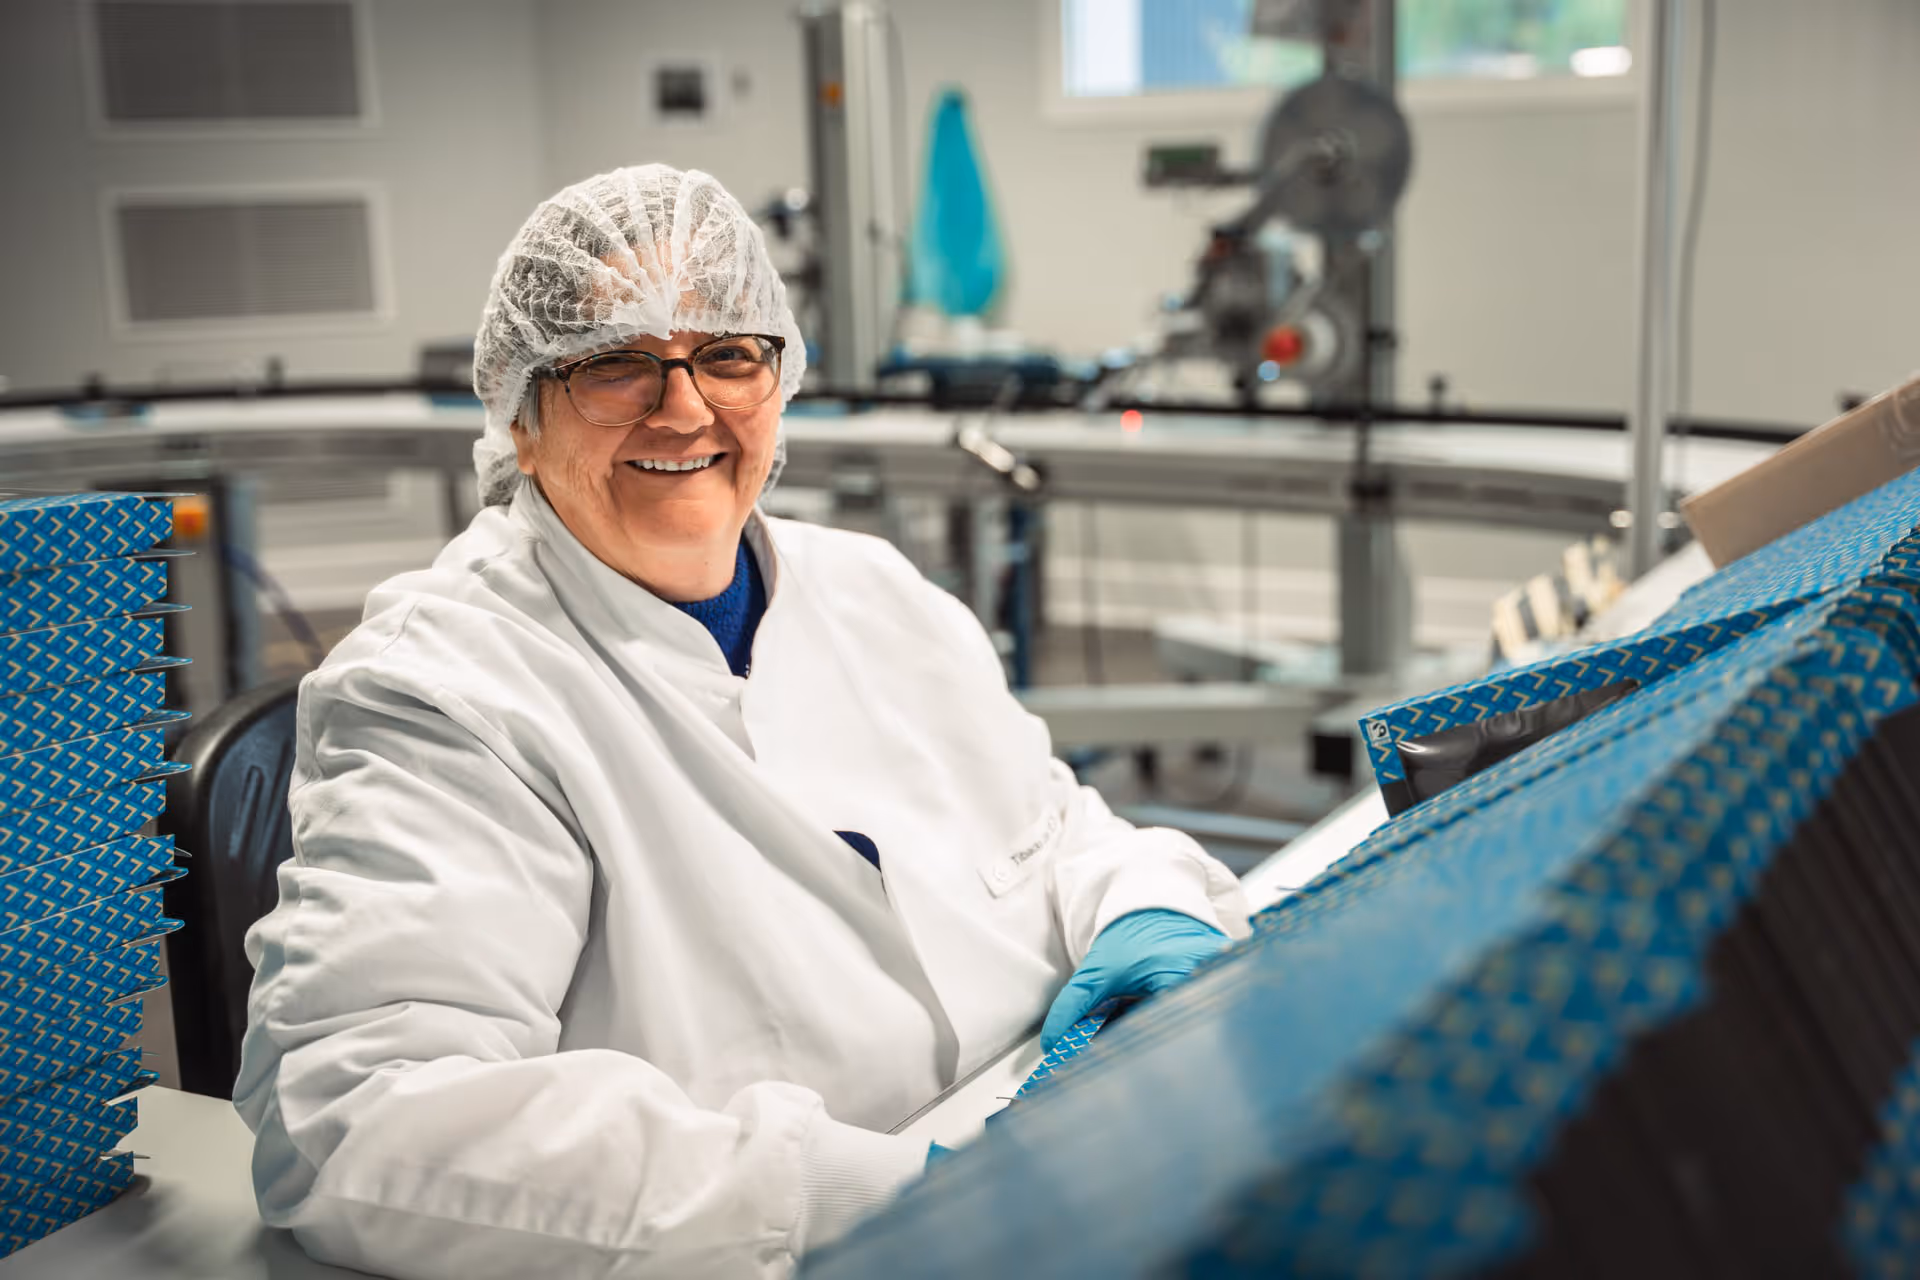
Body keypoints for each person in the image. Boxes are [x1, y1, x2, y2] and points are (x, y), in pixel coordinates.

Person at [236, 164, 1249, 1280]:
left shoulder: (875, 590)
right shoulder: (446, 689)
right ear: (519, 417)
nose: (685, 407)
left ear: (779, 376)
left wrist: (1145, 907)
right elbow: (357, 1117)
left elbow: (1054, 826)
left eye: (727, 353)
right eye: (616, 364)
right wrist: (853, 1196)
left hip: (1064, 1161)